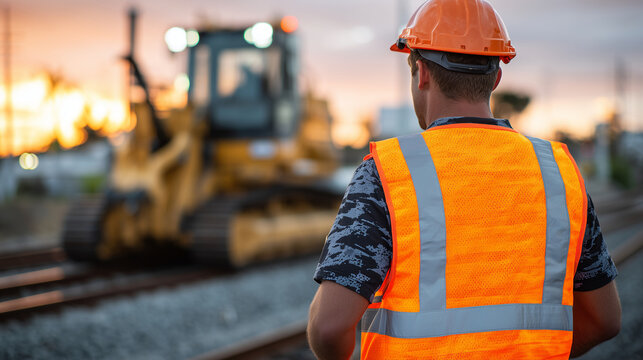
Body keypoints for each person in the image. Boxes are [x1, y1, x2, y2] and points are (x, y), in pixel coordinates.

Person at [307, 0, 621, 359]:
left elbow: (329, 326)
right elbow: (605, 320)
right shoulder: (558, 172)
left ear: (421, 72)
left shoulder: (387, 173)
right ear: (497, 77)